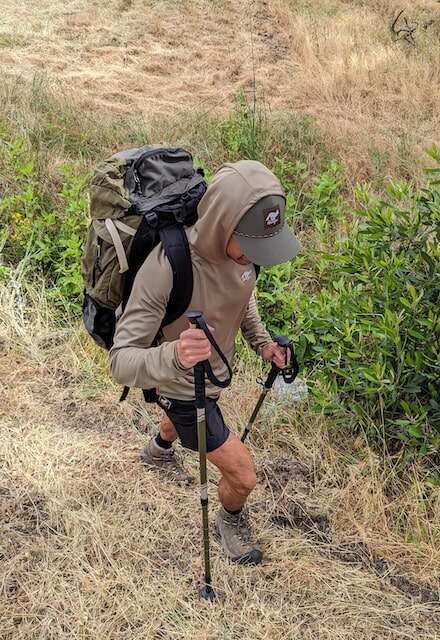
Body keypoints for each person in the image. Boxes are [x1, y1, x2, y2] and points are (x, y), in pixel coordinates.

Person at [109, 160, 300, 566]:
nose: (254, 256)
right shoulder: (167, 268)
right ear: (220, 224)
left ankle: (158, 451)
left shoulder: (243, 258)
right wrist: (174, 355)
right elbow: (121, 361)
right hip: (182, 386)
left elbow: (242, 298)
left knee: (180, 423)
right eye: (249, 244)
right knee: (243, 474)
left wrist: (263, 344)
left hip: (208, 376)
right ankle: (230, 520)